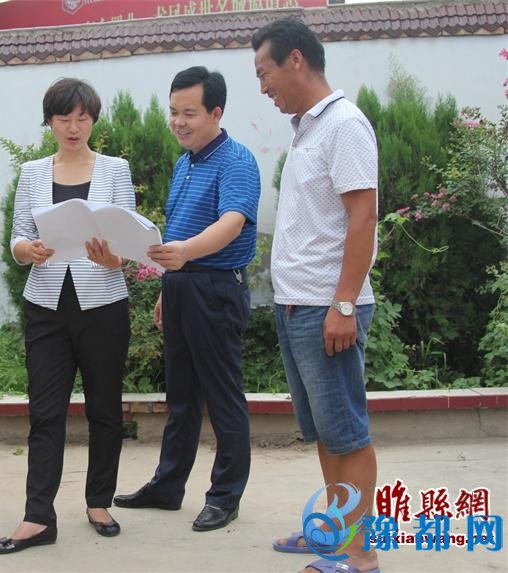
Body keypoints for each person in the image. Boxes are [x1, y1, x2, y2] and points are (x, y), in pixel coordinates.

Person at [252, 18, 380, 573]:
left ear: (296, 60)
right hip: (298, 306)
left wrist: (344, 303)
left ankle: (360, 554)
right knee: (327, 433)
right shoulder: (308, 128)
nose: (263, 87)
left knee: (347, 433)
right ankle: (333, 532)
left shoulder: (344, 124)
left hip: (329, 307)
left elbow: (363, 217)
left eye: (265, 73)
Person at [114, 66, 260, 533]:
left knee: (222, 396)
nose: (178, 122)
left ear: (216, 112)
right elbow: (175, 229)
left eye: (189, 113)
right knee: (181, 396)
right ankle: (167, 486)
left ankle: (224, 496)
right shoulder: (186, 162)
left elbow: (231, 223)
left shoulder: (237, 160)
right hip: (181, 286)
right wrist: (167, 285)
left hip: (215, 287)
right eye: (173, 112)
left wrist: (185, 255)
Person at [0, 78, 135, 554]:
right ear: (49, 122)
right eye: (63, 118)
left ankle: (99, 502)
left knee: (104, 410)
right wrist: (26, 250)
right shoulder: (33, 172)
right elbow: (17, 236)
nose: (73, 127)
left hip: (103, 304)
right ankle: (38, 517)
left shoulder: (115, 170)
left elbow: (127, 240)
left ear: (93, 120)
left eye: (82, 118)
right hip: (47, 307)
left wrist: (115, 259)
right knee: (45, 412)